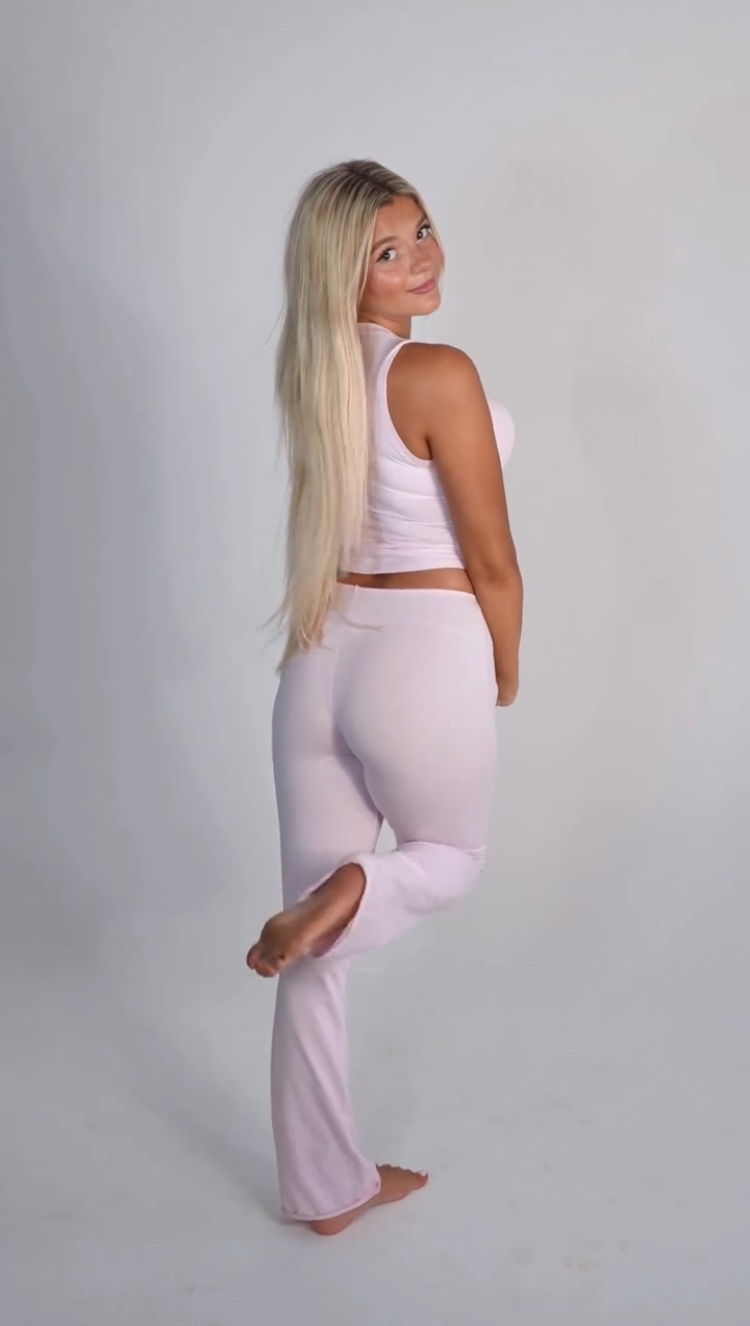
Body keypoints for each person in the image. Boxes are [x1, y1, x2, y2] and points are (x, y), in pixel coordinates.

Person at [246, 159, 523, 1236]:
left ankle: (325, 1190)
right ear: (345, 273)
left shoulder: (315, 371)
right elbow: (492, 561)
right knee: (448, 859)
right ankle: (350, 892)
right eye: (388, 251)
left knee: (314, 962)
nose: (423, 259)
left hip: (321, 654)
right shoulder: (436, 372)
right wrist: (505, 664)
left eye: (424, 231)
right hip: (423, 647)